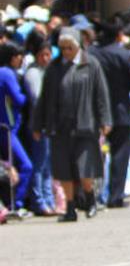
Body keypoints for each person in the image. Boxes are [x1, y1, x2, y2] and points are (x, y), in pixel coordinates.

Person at [31, 27, 112, 222]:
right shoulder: (54, 68)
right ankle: (69, 208)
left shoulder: (91, 64)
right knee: (63, 168)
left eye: (69, 48)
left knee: (85, 167)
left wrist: (105, 120)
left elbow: (101, 94)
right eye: (63, 48)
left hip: (85, 125)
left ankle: (90, 199)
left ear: (77, 46)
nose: (66, 52)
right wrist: (37, 124)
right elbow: (44, 98)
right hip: (60, 127)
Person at [87, 20, 130, 208]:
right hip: (120, 111)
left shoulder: (91, 54)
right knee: (120, 155)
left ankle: (93, 195)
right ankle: (115, 196)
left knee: (94, 155)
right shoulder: (124, 55)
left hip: (95, 112)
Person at [1, 42, 32, 217]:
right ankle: (15, 204)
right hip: (8, 129)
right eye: (19, 56)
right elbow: (19, 99)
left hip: (6, 128)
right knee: (26, 166)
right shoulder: (7, 74)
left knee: (8, 168)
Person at [24, 42, 55, 215]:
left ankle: (48, 200)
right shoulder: (33, 73)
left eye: (48, 54)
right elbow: (37, 99)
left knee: (48, 165)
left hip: (49, 125)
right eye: (42, 55)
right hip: (39, 125)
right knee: (39, 164)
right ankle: (39, 202)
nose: (45, 58)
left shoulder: (48, 71)